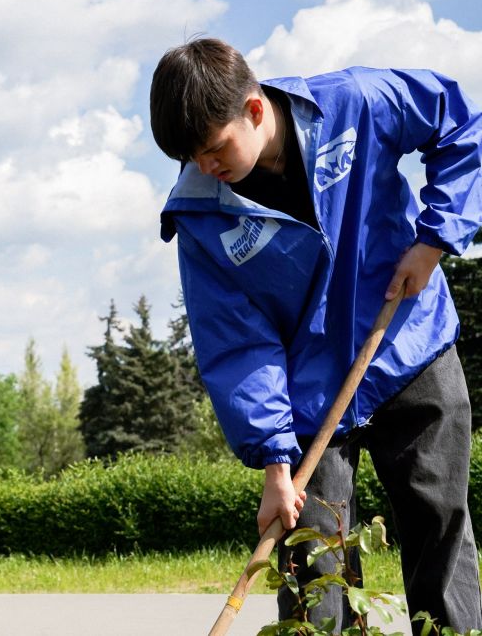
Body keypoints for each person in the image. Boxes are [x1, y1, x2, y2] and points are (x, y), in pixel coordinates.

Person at [149, 37, 482, 631]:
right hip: (308, 397)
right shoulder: (200, 213)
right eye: (189, 157)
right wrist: (276, 461)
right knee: (313, 564)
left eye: (212, 147)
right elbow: (238, 344)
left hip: (408, 345)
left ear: (253, 110)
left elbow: (459, 123)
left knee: (440, 532)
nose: (204, 167)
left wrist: (433, 240)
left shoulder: (354, 103)